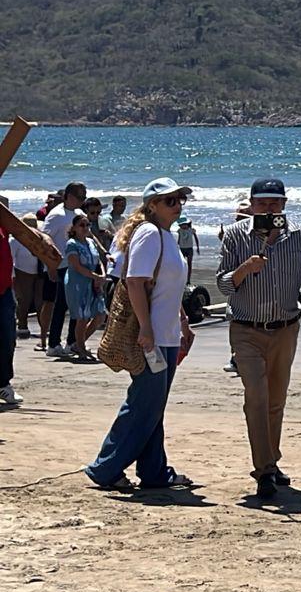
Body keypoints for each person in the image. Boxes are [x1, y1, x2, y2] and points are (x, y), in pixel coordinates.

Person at [216, 177, 301, 500]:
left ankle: (272, 462)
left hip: (286, 328)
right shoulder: (237, 235)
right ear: (250, 205)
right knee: (257, 398)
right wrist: (243, 270)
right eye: (262, 204)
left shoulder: (298, 235)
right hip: (246, 329)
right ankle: (263, 470)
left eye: (274, 203)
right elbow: (222, 284)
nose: (268, 209)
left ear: (284, 204)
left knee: (276, 400)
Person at [84, 177, 196, 491]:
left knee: (153, 406)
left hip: (167, 333)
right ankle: (105, 468)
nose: (177, 205)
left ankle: (154, 471)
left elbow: (167, 287)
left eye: (179, 200)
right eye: (170, 201)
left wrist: (184, 322)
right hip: (153, 335)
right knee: (142, 405)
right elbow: (135, 282)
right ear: (152, 206)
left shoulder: (166, 235)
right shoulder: (148, 234)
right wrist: (146, 329)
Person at [41, 181, 87, 358]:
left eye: (84, 197)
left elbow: (87, 236)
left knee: (76, 306)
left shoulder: (79, 214)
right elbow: (44, 240)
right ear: (68, 196)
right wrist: (49, 266)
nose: (82, 201)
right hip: (59, 266)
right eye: (79, 197)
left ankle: (72, 342)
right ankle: (53, 344)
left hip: (77, 266)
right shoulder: (56, 215)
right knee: (60, 306)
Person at [63, 213, 109, 361]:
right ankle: (81, 348)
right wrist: (95, 277)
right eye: (81, 225)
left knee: (100, 315)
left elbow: (98, 261)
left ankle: (78, 343)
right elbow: (76, 266)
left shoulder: (90, 242)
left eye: (87, 225)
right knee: (82, 317)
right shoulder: (72, 244)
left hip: (93, 282)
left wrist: (101, 274)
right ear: (75, 228)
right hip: (78, 283)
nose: (85, 228)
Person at [12, 214, 43, 342]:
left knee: (39, 301)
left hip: (38, 272)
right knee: (24, 300)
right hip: (22, 272)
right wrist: (13, 277)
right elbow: (11, 259)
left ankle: (44, 327)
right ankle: (22, 324)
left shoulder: (40, 238)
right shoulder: (14, 241)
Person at [0, 200, 18, 405]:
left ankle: (3, 383)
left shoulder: (4, 224)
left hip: (4, 289)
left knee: (8, 338)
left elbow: (23, 232)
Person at [176, 216, 198, 284]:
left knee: (189, 264)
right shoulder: (180, 230)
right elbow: (179, 239)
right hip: (182, 249)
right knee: (181, 265)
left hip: (189, 249)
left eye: (184, 224)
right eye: (181, 225)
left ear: (187, 224)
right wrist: (177, 247)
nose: (183, 226)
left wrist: (197, 247)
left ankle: (188, 280)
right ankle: (181, 278)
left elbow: (196, 238)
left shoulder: (191, 230)